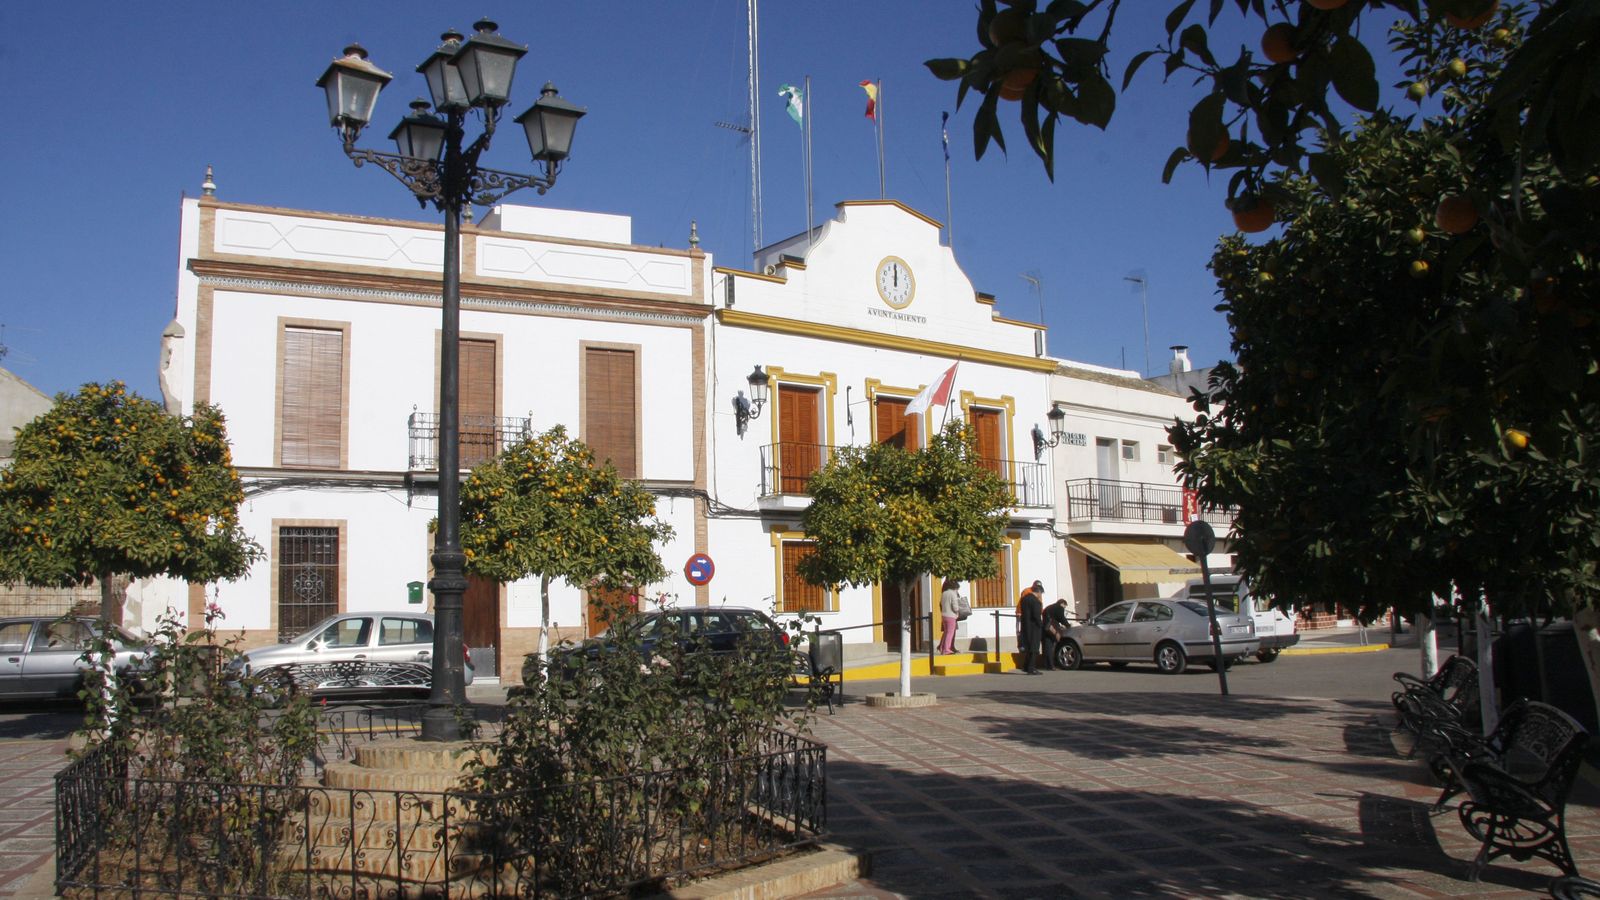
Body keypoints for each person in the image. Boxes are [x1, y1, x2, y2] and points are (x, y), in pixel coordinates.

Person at [1018, 580, 1044, 674]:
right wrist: (1041, 625)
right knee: (1034, 648)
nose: (1040, 596)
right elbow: (1037, 616)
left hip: (1025, 626)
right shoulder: (1036, 602)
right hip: (1034, 628)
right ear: (1038, 592)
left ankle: (1026, 666)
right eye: (1040, 593)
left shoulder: (1024, 599)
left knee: (1028, 647)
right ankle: (1031, 668)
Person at [1042, 598, 1070, 669]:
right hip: (1053, 628)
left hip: (1045, 628)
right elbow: (1062, 618)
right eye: (1064, 606)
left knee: (1046, 647)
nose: (1064, 608)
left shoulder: (1048, 607)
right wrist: (1068, 625)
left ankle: (1046, 664)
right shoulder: (1059, 608)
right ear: (1062, 603)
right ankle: (1051, 665)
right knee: (1051, 647)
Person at [938, 578, 961, 655]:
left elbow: (941, 603)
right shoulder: (953, 594)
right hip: (951, 616)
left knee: (946, 632)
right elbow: (955, 606)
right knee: (950, 633)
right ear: (955, 588)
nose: (957, 591)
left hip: (944, 615)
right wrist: (957, 612)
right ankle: (946, 649)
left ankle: (941, 647)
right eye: (957, 589)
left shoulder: (944, 593)